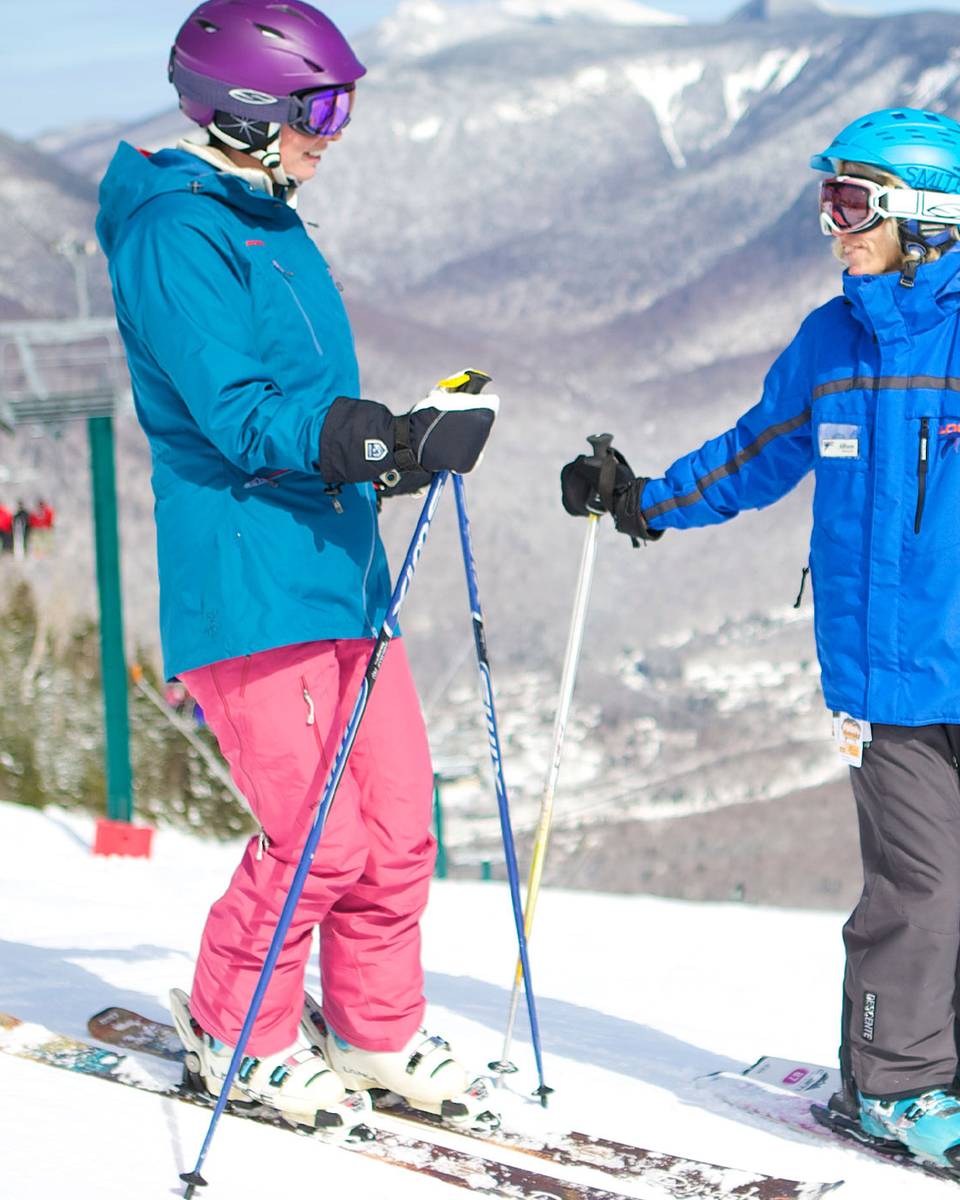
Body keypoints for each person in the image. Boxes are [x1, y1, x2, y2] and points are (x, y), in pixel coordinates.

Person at [96, 0, 498, 1132]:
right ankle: (239, 1027)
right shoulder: (176, 231)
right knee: (317, 838)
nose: (337, 128)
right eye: (322, 105)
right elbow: (233, 413)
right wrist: (360, 440)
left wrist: (400, 446)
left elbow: (312, 412)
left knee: (398, 827)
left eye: (346, 104)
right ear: (250, 107)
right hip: (249, 579)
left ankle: (374, 1032)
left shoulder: (265, 216)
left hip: (338, 563)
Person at [561, 107, 960, 1170]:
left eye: (852, 201)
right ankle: (896, 1084)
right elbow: (757, 452)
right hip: (885, 676)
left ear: (925, 215)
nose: (833, 224)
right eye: (827, 200)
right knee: (922, 889)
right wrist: (645, 499)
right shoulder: (830, 343)